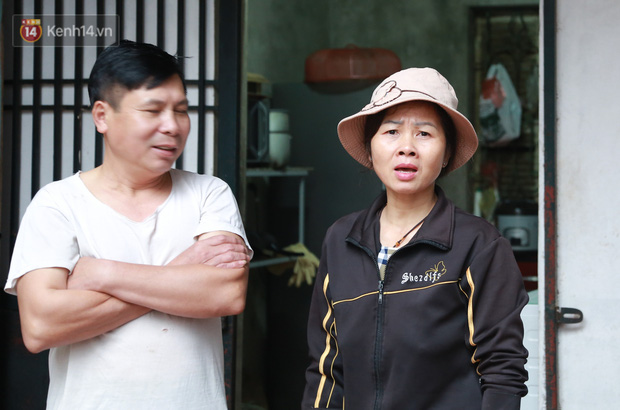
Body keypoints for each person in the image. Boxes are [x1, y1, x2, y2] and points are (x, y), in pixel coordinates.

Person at [4, 40, 252, 409]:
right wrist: (180, 272)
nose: (172, 126)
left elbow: (225, 295)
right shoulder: (57, 204)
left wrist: (101, 273)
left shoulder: (209, 193)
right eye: (152, 110)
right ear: (102, 116)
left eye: (181, 110)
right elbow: (41, 327)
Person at [302, 67, 529, 409]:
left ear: (447, 152)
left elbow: (503, 369)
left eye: (424, 133)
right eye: (391, 131)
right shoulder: (341, 240)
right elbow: (326, 367)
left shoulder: (478, 245)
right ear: (370, 148)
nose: (406, 148)